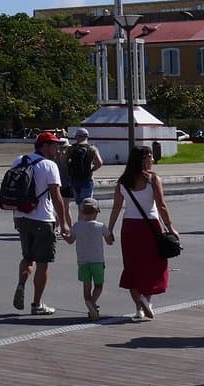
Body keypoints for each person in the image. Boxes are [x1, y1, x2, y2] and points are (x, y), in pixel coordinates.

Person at [106, 146, 178, 321]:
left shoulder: (122, 181)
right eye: (150, 156)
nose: (152, 159)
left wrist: (110, 230)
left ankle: (139, 309)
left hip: (129, 226)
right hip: (150, 227)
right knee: (154, 265)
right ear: (143, 159)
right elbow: (161, 205)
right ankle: (146, 299)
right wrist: (170, 227)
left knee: (132, 266)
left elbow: (116, 207)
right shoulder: (152, 179)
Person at [10, 131, 70, 315]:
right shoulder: (49, 165)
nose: (57, 149)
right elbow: (56, 196)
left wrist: (15, 217)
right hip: (42, 219)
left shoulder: (19, 160)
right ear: (44, 146)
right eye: (54, 145)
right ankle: (37, 304)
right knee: (43, 263)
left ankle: (21, 284)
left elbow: (14, 191)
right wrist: (65, 222)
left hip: (21, 217)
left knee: (27, 257)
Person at [61, 199, 114, 320]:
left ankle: (89, 303)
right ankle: (93, 303)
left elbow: (70, 241)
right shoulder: (100, 226)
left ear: (81, 212)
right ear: (96, 212)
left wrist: (64, 235)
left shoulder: (77, 226)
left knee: (86, 285)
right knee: (99, 285)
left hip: (82, 261)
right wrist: (110, 237)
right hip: (97, 261)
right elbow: (109, 241)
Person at [63, 127, 103, 223]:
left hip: (74, 179)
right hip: (87, 179)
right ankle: (85, 223)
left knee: (79, 204)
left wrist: (70, 167)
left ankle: (80, 222)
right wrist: (91, 170)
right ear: (87, 136)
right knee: (86, 204)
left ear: (77, 137)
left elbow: (63, 160)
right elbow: (99, 162)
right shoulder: (92, 148)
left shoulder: (71, 148)